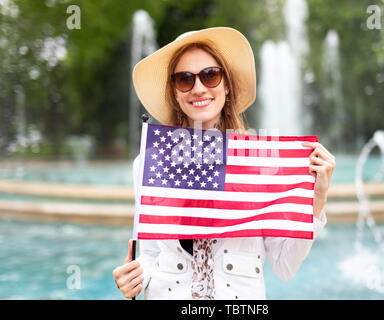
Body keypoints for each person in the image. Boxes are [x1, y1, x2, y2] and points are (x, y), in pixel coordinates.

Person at [112, 27, 335, 300]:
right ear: (175, 91)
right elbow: (148, 256)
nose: (198, 88)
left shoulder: (261, 162)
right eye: (184, 79)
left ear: (226, 84)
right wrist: (133, 277)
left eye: (210, 75)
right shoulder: (149, 162)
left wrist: (316, 200)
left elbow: (285, 266)